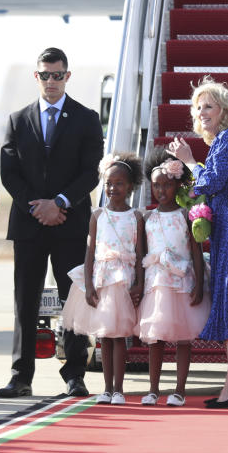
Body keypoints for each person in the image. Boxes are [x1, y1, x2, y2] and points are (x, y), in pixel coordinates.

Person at [0, 47, 104, 398]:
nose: (52, 81)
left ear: (67, 76)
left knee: (71, 299)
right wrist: (37, 207)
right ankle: (20, 374)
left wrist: (58, 203)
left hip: (69, 223)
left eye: (58, 75)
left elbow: (92, 171)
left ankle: (75, 373)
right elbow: (9, 173)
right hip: (29, 225)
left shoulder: (86, 118)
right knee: (24, 301)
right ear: (36, 76)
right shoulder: (18, 119)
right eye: (45, 74)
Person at [169, 77, 228, 409]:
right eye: (198, 107)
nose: (202, 112)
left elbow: (210, 181)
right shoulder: (221, 142)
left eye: (208, 105)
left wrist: (187, 160)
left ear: (223, 110)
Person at [62, 152, 145, 405]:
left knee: (119, 336)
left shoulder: (136, 217)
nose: (112, 188)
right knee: (104, 338)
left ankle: (119, 388)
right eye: (109, 183)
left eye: (119, 183)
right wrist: (88, 286)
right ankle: (106, 388)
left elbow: (140, 253)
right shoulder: (97, 215)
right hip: (101, 280)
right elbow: (90, 252)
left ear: (130, 186)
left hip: (123, 281)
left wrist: (139, 283)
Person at [136, 148, 210, 407]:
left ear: (177, 185)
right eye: (156, 186)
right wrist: (138, 284)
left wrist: (199, 284)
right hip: (156, 284)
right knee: (155, 337)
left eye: (167, 185)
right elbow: (141, 255)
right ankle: (153, 389)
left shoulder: (185, 216)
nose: (161, 191)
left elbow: (197, 253)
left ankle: (179, 389)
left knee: (182, 337)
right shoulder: (146, 218)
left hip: (181, 283)